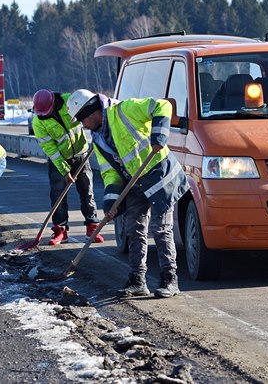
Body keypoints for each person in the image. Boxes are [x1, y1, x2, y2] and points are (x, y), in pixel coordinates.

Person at [67, 89, 189, 299]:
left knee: (160, 229)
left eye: (83, 121)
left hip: (159, 173)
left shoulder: (124, 110)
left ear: (92, 113)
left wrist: (159, 135)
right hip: (134, 180)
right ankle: (137, 281)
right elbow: (109, 173)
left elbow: (163, 105)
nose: (84, 126)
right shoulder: (98, 140)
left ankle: (170, 279)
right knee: (134, 229)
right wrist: (112, 202)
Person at [31, 89, 104, 246]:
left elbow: (88, 111)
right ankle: (60, 230)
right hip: (59, 159)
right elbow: (50, 149)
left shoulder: (69, 101)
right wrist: (64, 170)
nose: (44, 115)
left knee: (87, 191)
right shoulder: (38, 122)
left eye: (47, 112)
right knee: (58, 195)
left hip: (81, 154)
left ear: (54, 103)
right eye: (41, 113)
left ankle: (92, 226)